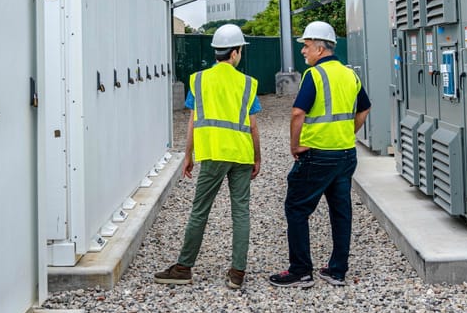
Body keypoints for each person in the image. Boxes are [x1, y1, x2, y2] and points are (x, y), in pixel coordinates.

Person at [154, 24, 262, 289]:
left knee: (200, 211)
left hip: (212, 153)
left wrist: (188, 154)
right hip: (242, 153)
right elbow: (253, 125)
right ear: (235, 53)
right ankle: (237, 273)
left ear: (217, 52)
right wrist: (257, 158)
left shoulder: (199, 80)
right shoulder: (248, 83)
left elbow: (192, 121)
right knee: (241, 213)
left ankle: (183, 268)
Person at [269, 21, 371, 288]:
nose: (303, 51)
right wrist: (347, 133)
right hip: (346, 154)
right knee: (341, 212)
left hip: (317, 155)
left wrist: (295, 145)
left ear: (321, 48)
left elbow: (297, 113)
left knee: (296, 208)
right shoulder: (351, 75)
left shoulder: (314, 76)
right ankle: (337, 271)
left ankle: (301, 271)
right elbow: (364, 110)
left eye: (306, 45)